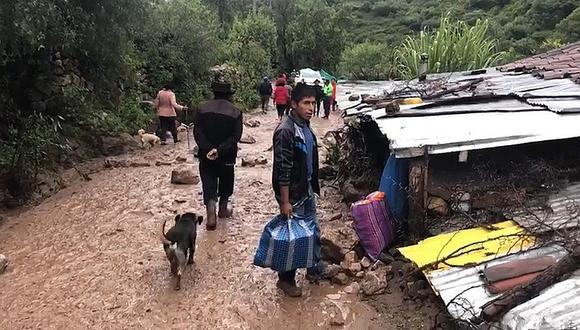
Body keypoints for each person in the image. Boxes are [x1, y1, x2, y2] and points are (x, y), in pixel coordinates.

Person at [272, 83, 322, 297]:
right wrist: (285, 202)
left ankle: (314, 267)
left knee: (312, 229)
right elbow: (283, 168)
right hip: (292, 193)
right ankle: (285, 279)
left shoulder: (305, 125)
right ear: (294, 104)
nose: (311, 107)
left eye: (313, 103)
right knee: (292, 236)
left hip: (306, 187)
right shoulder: (286, 131)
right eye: (306, 103)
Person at [194, 79, 243, 231]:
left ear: (214, 93)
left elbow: (197, 132)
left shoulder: (202, 109)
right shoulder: (236, 112)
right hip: (226, 156)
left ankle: (210, 211)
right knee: (226, 180)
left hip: (206, 155)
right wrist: (220, 150)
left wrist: (208, 149)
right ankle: (223, 208)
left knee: (208, 179)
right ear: (229, 95)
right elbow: (236, 137)